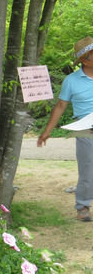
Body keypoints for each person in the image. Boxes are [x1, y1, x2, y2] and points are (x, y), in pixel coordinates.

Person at [37, 36, 93, 222]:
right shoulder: (71, 80)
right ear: (85, 59)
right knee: (88, 170)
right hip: (85, 129)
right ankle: (83, 206)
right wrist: (47, 131)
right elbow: (61, 105)